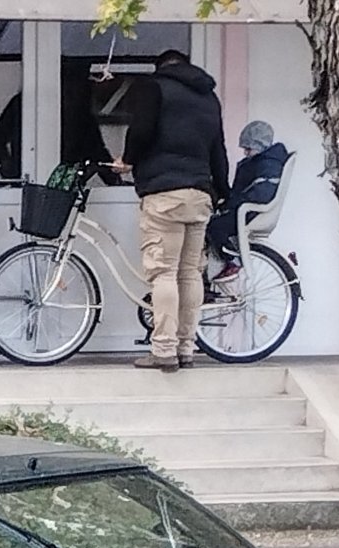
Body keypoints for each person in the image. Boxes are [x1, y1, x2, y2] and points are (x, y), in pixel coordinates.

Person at [114, 49, 229, 371]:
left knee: (163, 272)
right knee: (190, 273)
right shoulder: (209, 97)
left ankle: (163, 350)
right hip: (200, 193)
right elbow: (217, 148)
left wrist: (128, 160)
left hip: (164, 192)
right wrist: (223, 192)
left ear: (160, 67)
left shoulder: (154, 87)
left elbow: (142, 130)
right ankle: (186, 347)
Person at [207, 120, 288, 279]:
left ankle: (232, 260)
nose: (245, 153)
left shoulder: (267, 164)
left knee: (214, 226)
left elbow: (258, 194)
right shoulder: (268, 161)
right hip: (249, 209)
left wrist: (231, 205)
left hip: (250, 212)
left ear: (259, 145)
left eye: (248, 149)